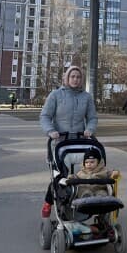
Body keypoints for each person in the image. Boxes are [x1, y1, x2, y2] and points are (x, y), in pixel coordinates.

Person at [40, 65, 98, 216]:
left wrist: (90, 129)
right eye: (72, 76)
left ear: (81, 79)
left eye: (78, 77)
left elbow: (92, 117)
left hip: (80, 141)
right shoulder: (56, 95)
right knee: (60, 177)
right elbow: (45, 116)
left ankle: (83, 199)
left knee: (85, 173)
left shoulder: (86, 97)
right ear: (66, 78)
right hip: (60, 142)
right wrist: (51, 131)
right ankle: (49, 202)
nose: (75, 79)